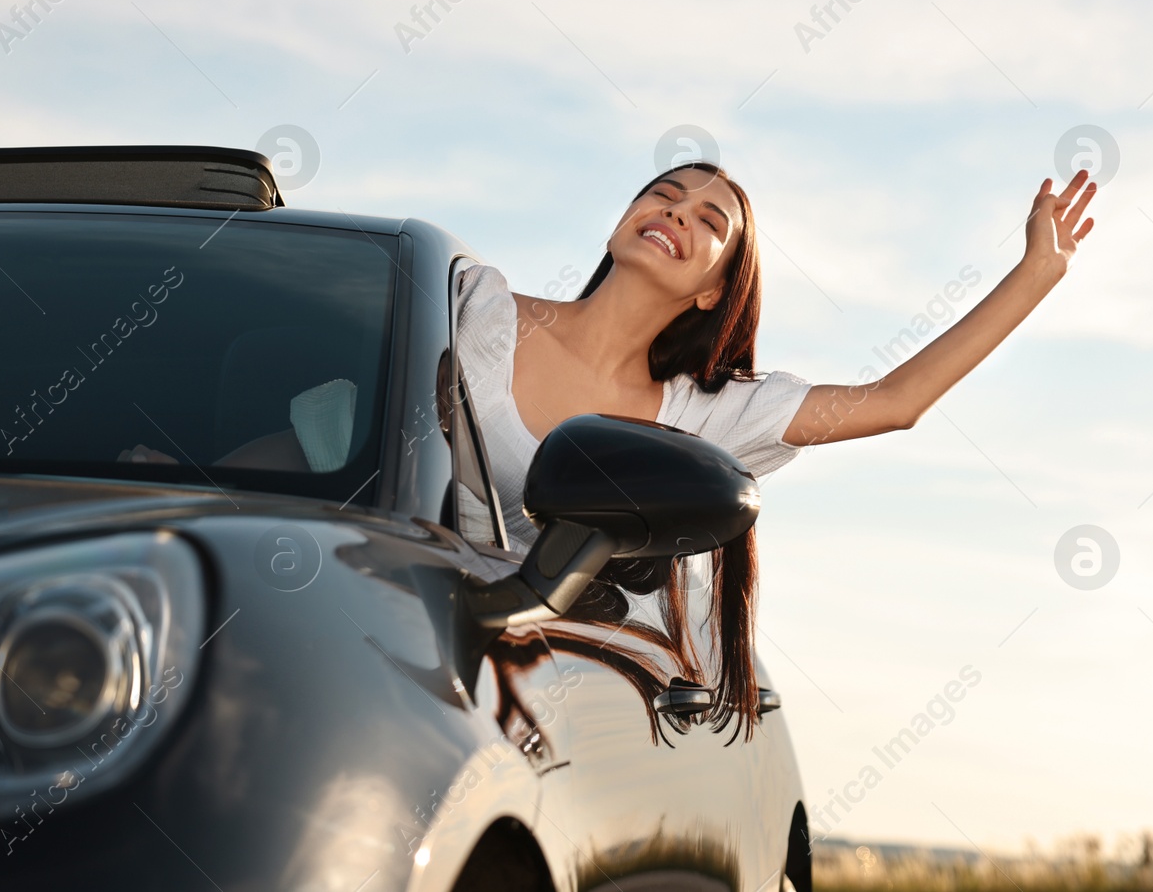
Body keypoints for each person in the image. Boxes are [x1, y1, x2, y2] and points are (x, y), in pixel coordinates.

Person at [454, 160, 1096, 735]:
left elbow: (895, 401)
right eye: (663, 194)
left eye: (709, 219)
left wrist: (1038, 271)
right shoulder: (478, 305)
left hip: (566, 702)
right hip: (408, 619)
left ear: (712, 291)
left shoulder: (709, 414)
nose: (677, 210)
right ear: (623, 222)